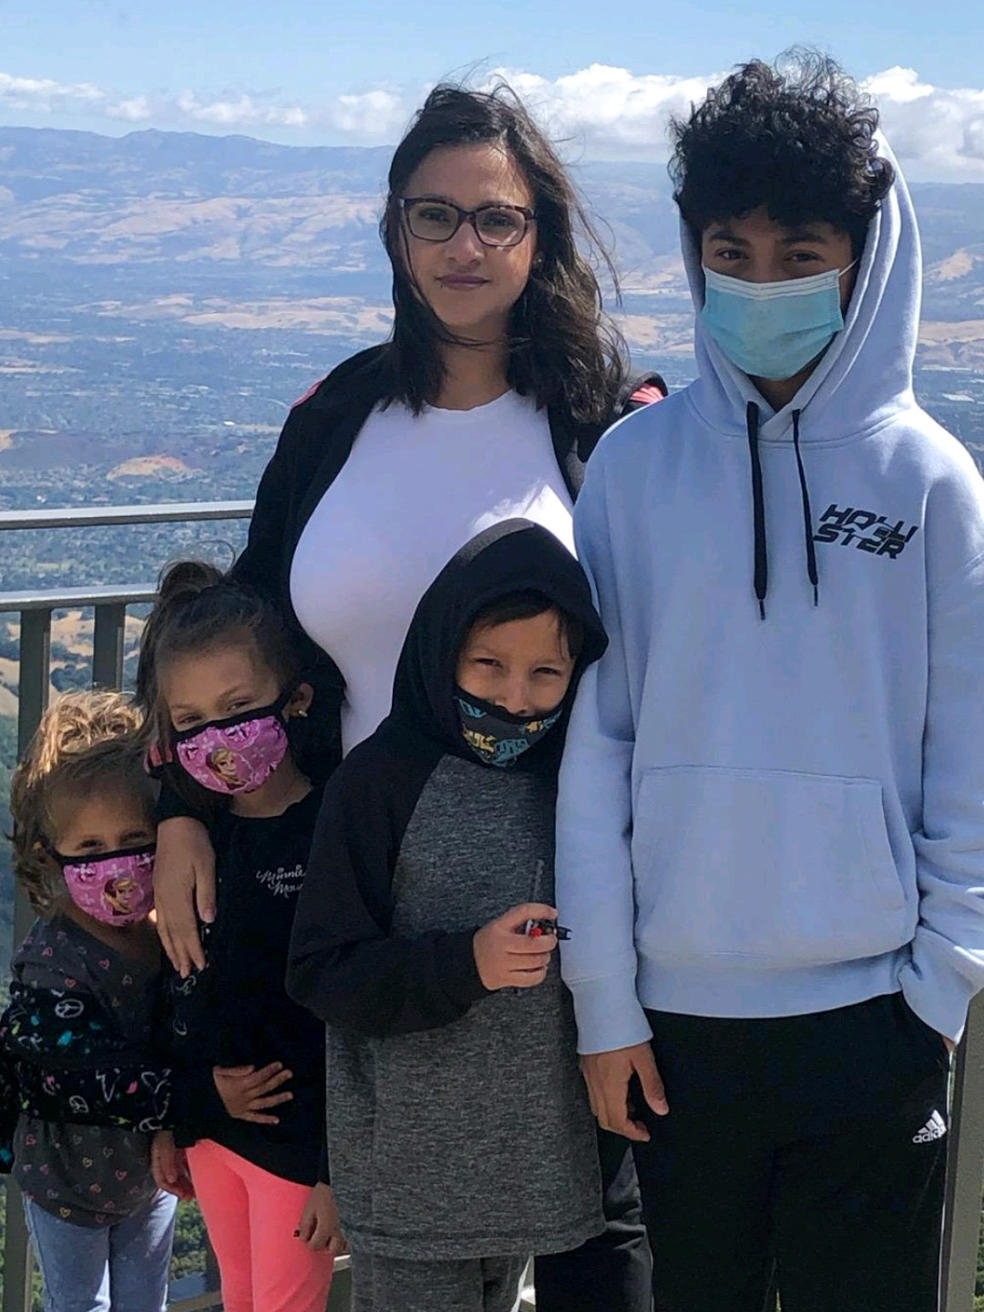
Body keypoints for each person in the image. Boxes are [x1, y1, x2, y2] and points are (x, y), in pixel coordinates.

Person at [150, 83, 664, 1310]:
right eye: (434, 217)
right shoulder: (335, 419)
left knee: (592, 1230)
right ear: (395, 231)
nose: (464, 246)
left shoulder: (604, 425)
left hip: (558, 885)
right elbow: (241, 633)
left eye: (496, 218)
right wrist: (176, 801)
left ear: (540, 235)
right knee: (393, 1245)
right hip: (353, 899)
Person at [556, 52, 984, 1312]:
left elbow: (968, 751)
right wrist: (604, 1002)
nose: (761, 283)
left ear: (864, 255)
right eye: (729, 252)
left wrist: (938, 992)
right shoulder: (632, 471)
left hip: (875, 1017)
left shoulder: (933, 485)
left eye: (800, 251)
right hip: (674, 1030)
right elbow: (599, 746)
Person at [286, 519, 610, 1312]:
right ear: (440, 652)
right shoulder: (379, 783)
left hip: (533, 1171)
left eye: (546, 673)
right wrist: (465, 966)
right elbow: (322, 970)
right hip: (408, 1185)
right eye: (487, 665)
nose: (514, 697)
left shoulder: (583, 778)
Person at [138, 562, 342, 1312]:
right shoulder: (197, 843)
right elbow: (182, 987)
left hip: (296, 1149)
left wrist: (335, 1168)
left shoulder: (331, 831)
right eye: (189, 724)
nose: (217, 740)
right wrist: (180, 1116)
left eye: (238, 708)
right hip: (213, 1137)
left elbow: (346, 1015)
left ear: (298, 701)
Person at [0, 692, 176, 1312]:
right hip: (65, 1182)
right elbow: (82, 1073)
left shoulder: (172, 934)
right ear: (52, 855)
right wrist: (194, 1102)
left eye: (135, 840)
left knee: (143, 1304)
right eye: (92, 848)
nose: (118, 865)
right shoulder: (53, 962)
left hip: (148, 1179)